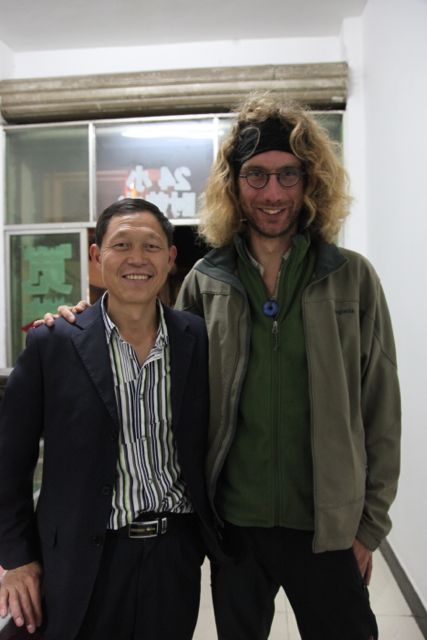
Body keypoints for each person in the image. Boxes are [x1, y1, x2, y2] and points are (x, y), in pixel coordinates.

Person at [38, 93, 401, 640]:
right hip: (235, 531)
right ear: (234, 185)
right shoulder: (207, 281)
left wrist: (369, 526)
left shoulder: (351, 278)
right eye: (256, 176)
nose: (272, 193)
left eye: (288, 175)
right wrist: (81, 319)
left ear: (310, 182)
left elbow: (382, 409)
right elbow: (151, 349)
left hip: (328, 528)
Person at [0, 198, 222, 640]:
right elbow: (9, 461)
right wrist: (16, 557)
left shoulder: (197, 338)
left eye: (151, 246)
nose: (137, 259)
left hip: (173, 555)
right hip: (83, 555)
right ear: (97, 256)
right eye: (121, 245)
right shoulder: (54, 342)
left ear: (170, 258)